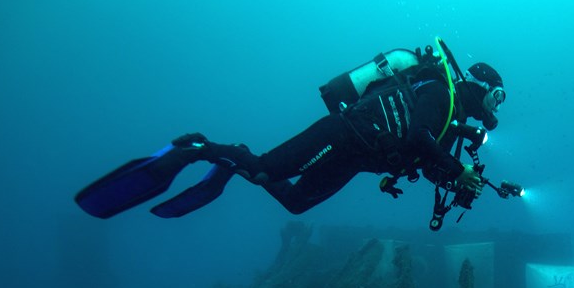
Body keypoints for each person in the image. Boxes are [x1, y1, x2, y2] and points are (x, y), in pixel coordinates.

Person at [75, 46, 506, 221]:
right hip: (342, 134)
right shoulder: (439, 93)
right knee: (264, 172)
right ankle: (197, 150)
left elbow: (422, 153)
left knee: (298, 203)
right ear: (482, 86)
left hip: (356, 156)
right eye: (497, 97)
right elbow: (418, 140)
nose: (496, 108)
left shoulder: (450, 120)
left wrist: (451, 177)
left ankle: (237, 157)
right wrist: (456, 168)